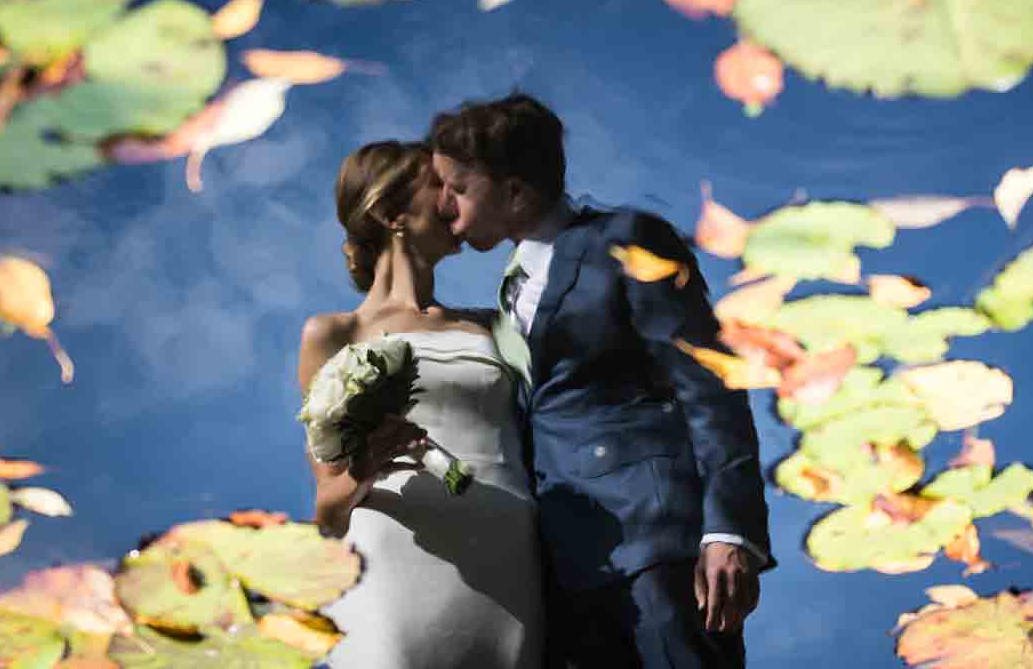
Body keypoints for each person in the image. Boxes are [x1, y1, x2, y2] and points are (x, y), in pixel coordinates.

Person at [428, 93, 770, 669]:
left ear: (514, 191)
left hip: (657, 545)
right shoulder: (508, 295)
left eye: (457, 188)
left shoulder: (624, 240)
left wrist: (730, 531)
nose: (443, 206)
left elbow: (711, 384)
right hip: (567, 571)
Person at [299, 140, 544, 669]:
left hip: (509, 559)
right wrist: (366, 465)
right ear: (393, 214)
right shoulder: (334, 333)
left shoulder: (493, 326)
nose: (458, 196)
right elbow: (327, 506)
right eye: (441, 185)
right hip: (394, 558)